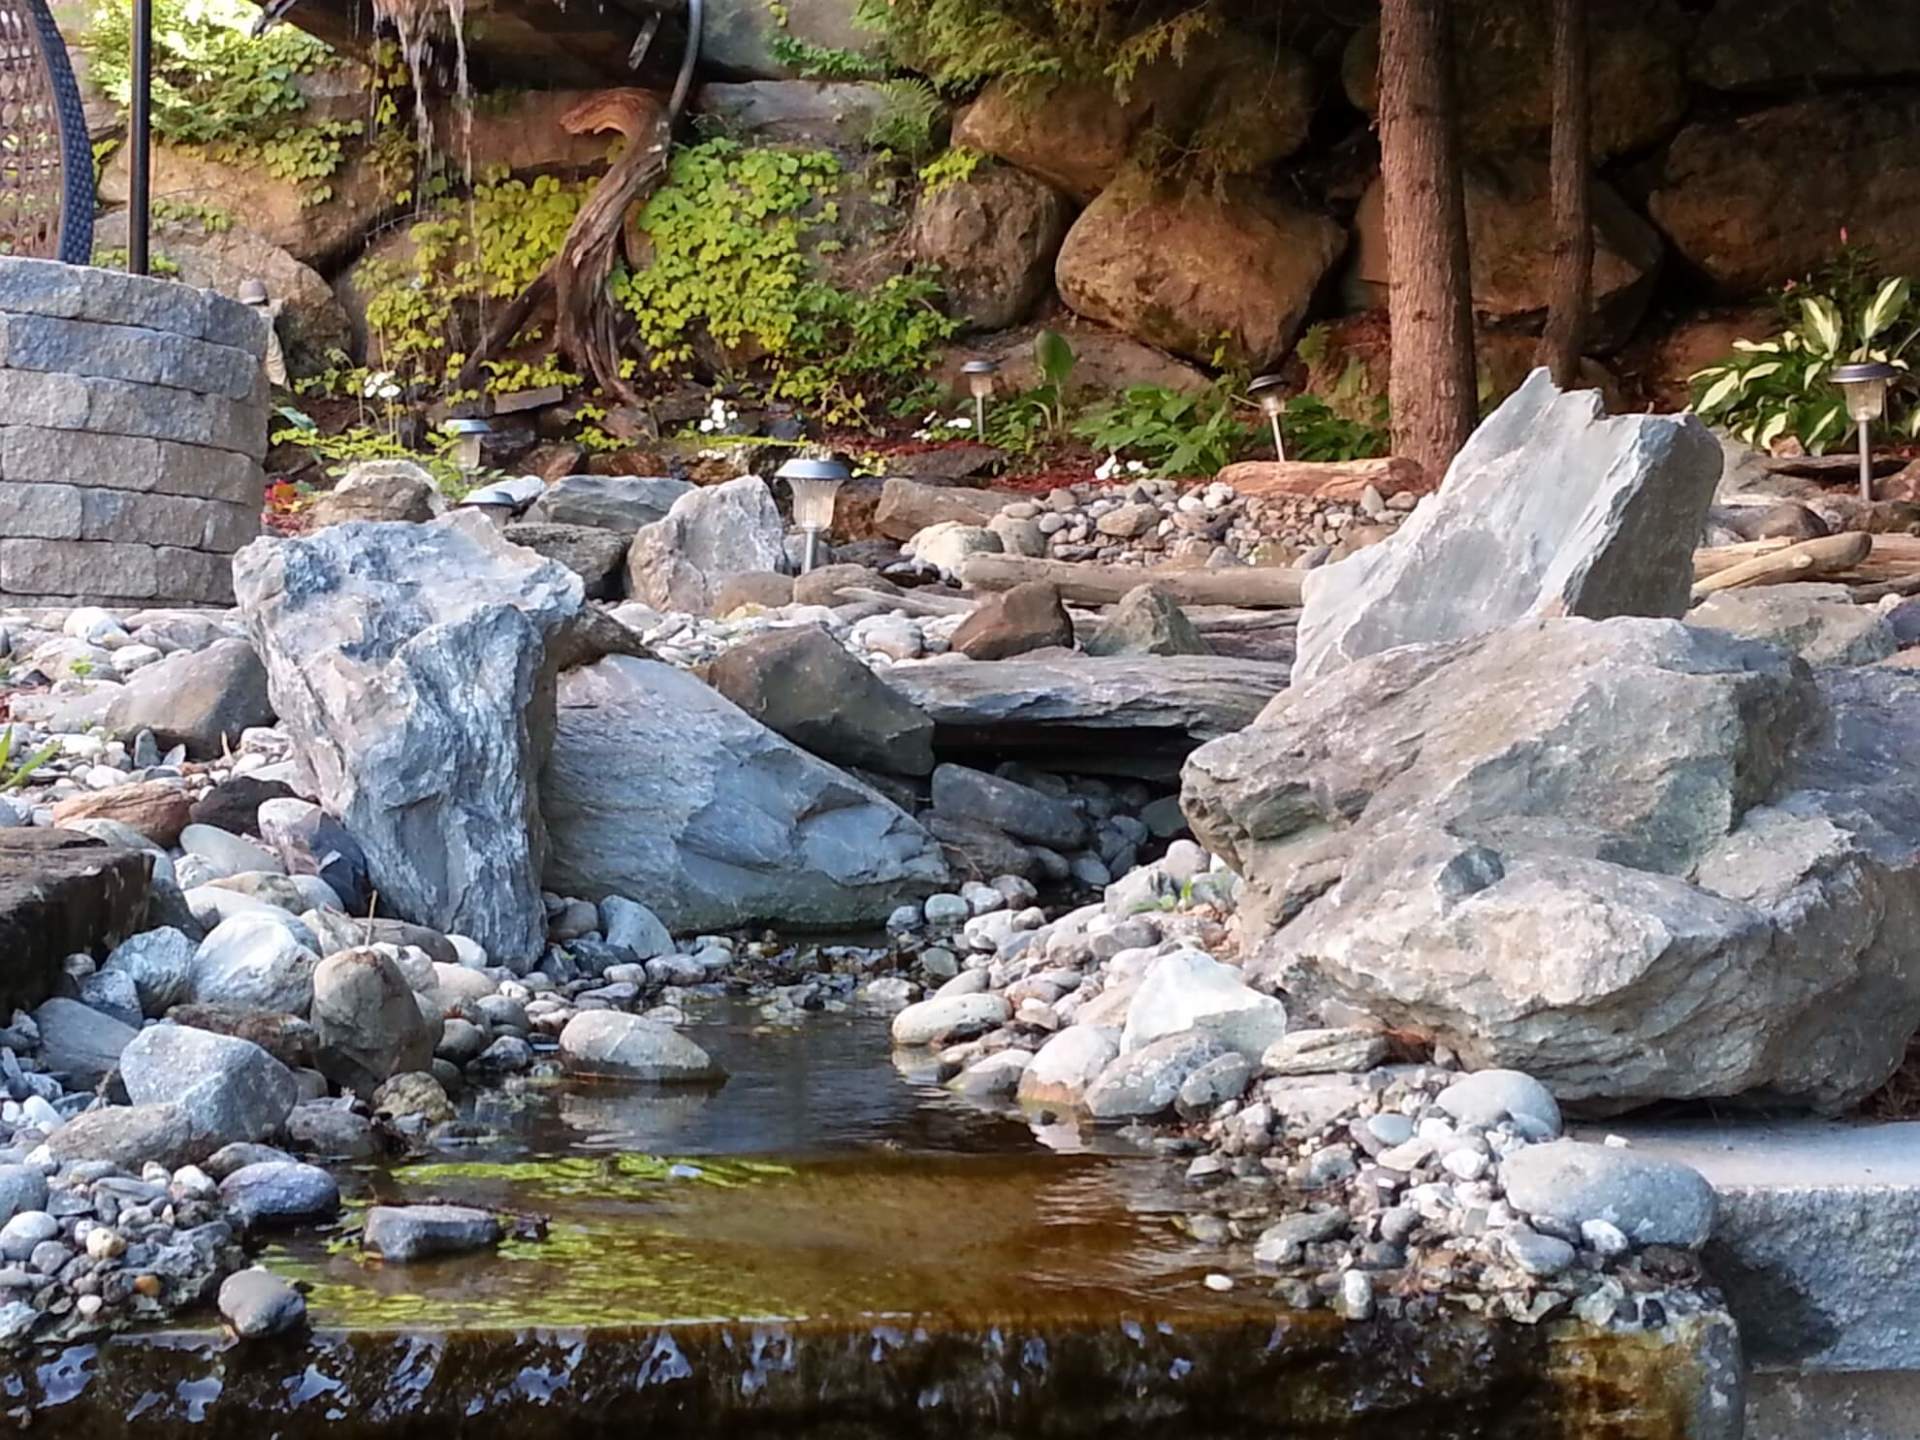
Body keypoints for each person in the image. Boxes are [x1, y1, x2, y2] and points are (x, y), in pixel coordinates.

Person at [236, 278, 288, 388]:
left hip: (249, 346)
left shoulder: (242, 316)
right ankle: (283, 390)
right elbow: (279, 305)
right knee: (275, 365)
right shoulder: (268, 311)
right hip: (269, 341)